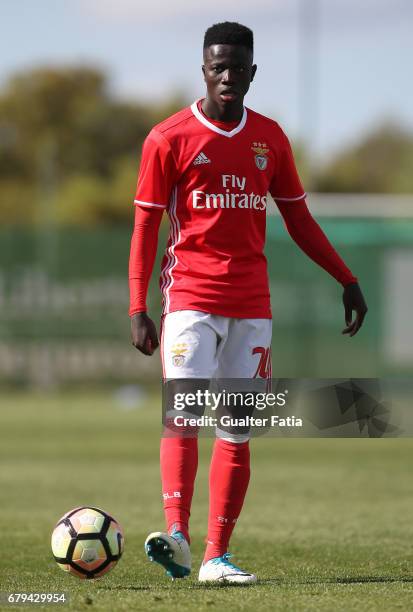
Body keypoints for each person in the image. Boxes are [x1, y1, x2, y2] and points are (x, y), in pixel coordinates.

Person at [128, 21, 367, 584]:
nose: (228, 76)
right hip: (189, 296)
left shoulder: (270, 139)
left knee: (236, 428)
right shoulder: (168, 138)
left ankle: (216, 556)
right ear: (203, 70)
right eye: (218, 67)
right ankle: (178, 535)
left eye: (238, 67)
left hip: (252, 305)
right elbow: (144, 226)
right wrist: (138, 306)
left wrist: (346, 277)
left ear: (253, 71)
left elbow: (299, 218)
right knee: (182, 414)